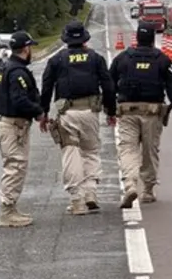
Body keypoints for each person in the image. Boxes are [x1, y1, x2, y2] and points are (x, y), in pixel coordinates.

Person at [109, 20, 172, 208]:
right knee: (149, 150)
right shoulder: (161, 59)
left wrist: (109, 110)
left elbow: (109, 84)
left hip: (127, 111)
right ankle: (147, 190)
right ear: (153, 39)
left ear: (137, 38)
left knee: (128, 149)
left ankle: (129, 184)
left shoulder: (123, 58)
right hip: (152, 113)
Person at [40, 20, 117, 216]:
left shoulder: (56, 60)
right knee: (91, 151)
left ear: (65, 39)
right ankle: (91, 192)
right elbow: (108, 86)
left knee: (71, 152)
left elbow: (47, 87)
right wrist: (111, 110)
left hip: (67, 113)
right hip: (90, 112)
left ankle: (77, 199)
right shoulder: (96, 58)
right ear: (85, 39)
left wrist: (43, 113)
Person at [0, 31, 44, 228]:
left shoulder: (4, 68)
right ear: (26, 48)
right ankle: (7, 211)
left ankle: (11, 208)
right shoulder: (18, 72)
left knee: (15, 165)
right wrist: (38, 112)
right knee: (15, 166)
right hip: (14, 126)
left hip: (7, 123)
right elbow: (20, 99)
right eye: (31, 47)